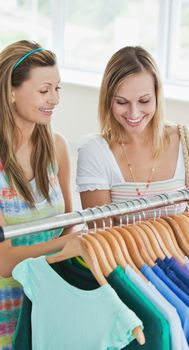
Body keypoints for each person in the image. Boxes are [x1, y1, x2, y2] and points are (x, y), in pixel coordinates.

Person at [76, 46, 189, 225]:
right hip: (121, 255)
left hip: (183, 254)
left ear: (157, 95)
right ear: (108, 100)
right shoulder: (95, 152)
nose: (133, 113)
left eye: (144, 101)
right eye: (122, 102)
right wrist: (177, 232)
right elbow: (101, 234)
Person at [0, 40, 76, 348]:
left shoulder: (57, 147)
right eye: (44, 91)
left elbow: (71, 220)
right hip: (7, 311)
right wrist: (69, 245)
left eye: (58, 89)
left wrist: (72, 242)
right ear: (11, 91)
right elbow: (4, 263)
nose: (55, 99)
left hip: (49, 301)